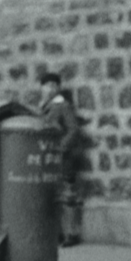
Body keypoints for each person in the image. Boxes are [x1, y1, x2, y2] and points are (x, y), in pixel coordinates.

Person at [39, 71, 84, 247]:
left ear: (58, 88)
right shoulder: (43, 106)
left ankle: (71, 234)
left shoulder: (63, 106)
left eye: (53, 85)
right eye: (47, 85)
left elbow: (73, 130)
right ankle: (56, 233)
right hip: (48, 159)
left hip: (63, 159)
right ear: (41, 88)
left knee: (68, 197)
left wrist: (60, 149)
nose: (50, 89)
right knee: (52, 197)